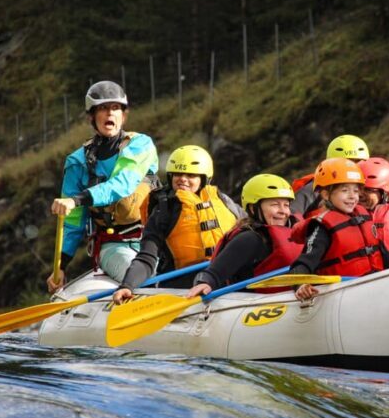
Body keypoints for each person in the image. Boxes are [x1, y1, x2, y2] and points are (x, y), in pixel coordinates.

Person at [47, 80, 159, 293]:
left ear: (123, 116)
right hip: (113, 245)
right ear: (92, 116)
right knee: (141, 277)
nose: (110, 113)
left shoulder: (141, 145)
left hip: (154, 239)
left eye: (115, 108)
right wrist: (60, 266)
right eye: (103, 108)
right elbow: (73, 222)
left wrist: (77, 199)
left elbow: (123, 183)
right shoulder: (77, 162)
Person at [112, 145, 242, 304]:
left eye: (191, 175)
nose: (182, 179)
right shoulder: (163, 211)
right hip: (182, 285)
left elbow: (249, 234)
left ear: (204, 179)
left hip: (225, 279)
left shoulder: (224, 202)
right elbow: (146, 258)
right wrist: (127, 285)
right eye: (178, 174)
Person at [186, 174, 303, 298]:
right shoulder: (249, 239)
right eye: (275, 205)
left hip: (294, 299)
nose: (283, 211)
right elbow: (214, 273)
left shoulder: (297, 232)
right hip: (256, 303)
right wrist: (205, 282)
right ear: (253, 208)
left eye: (286, 205)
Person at [290, 158, 384, 301]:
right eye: (344, 190)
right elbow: (302, 264)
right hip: (343, 296)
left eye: (355, 190)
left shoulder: (364, 214)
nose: (352, 196)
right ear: (326, 194)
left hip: (374, 286)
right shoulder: (322, 227)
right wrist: (300, 285)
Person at [291, 134, 369, 216]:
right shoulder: (315, 188)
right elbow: (292, 216)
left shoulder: (371, 187)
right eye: (346, 161)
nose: (352, 166)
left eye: (358, 162)